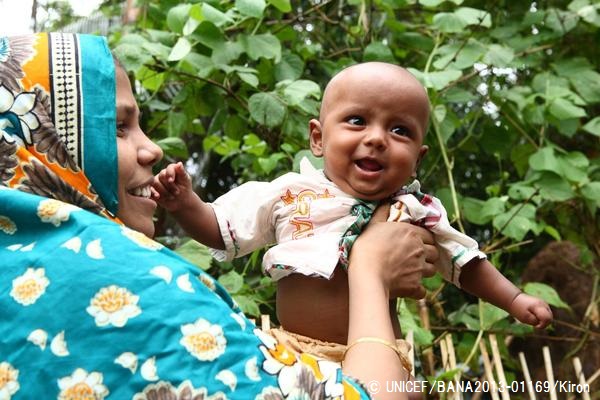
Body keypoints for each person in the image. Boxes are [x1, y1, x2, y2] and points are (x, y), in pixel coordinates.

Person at [0, 33, 439, 399]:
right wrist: (369, 269)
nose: (152, 148)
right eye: (117, 127)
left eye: (399, 130)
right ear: (45, 138)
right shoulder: (121, 284)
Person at [153, 62, 553, 365]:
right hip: (296, 350)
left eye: (400, 131)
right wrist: (186, 204)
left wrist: (514, 299)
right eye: (357, 121)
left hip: (380, 350)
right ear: (318, 137)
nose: (377, 138)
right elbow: (222, 230)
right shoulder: (288, 194)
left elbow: (465, 262)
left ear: (417, 158)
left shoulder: (415, 211)